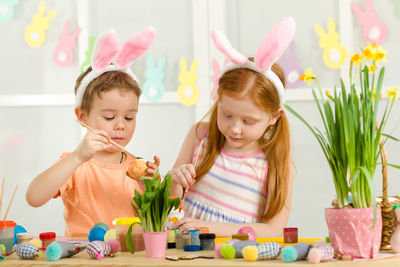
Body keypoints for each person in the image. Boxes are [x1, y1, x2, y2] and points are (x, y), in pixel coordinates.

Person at [26, 28, 160, 237]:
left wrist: (153, 184)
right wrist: (77, 156)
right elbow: (33, 197)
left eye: (129, 117)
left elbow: (159, 221)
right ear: (82, 117)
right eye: (109, 117)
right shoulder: (74, 163)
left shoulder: (137, 167)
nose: (120, 126)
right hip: (84, 257)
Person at [169, 18, 296, 237]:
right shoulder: (200, 135)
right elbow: (171, 202)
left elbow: (275, 230)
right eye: (226, 114)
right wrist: (174, 179)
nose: (235, 129)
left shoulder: (276, 163)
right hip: (184, 251)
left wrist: (210, 229)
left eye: (248, 121)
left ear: (274, 117)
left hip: (234, 254)